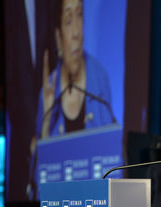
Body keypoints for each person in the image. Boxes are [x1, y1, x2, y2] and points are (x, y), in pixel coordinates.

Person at [34, 0, 114, 139]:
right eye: (69, 21)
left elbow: (110, 151)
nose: (76, 32)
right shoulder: (49, 91)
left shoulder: (100, 78)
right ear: (58, 37)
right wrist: (46, 122)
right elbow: (40, 159)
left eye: (80, 15)